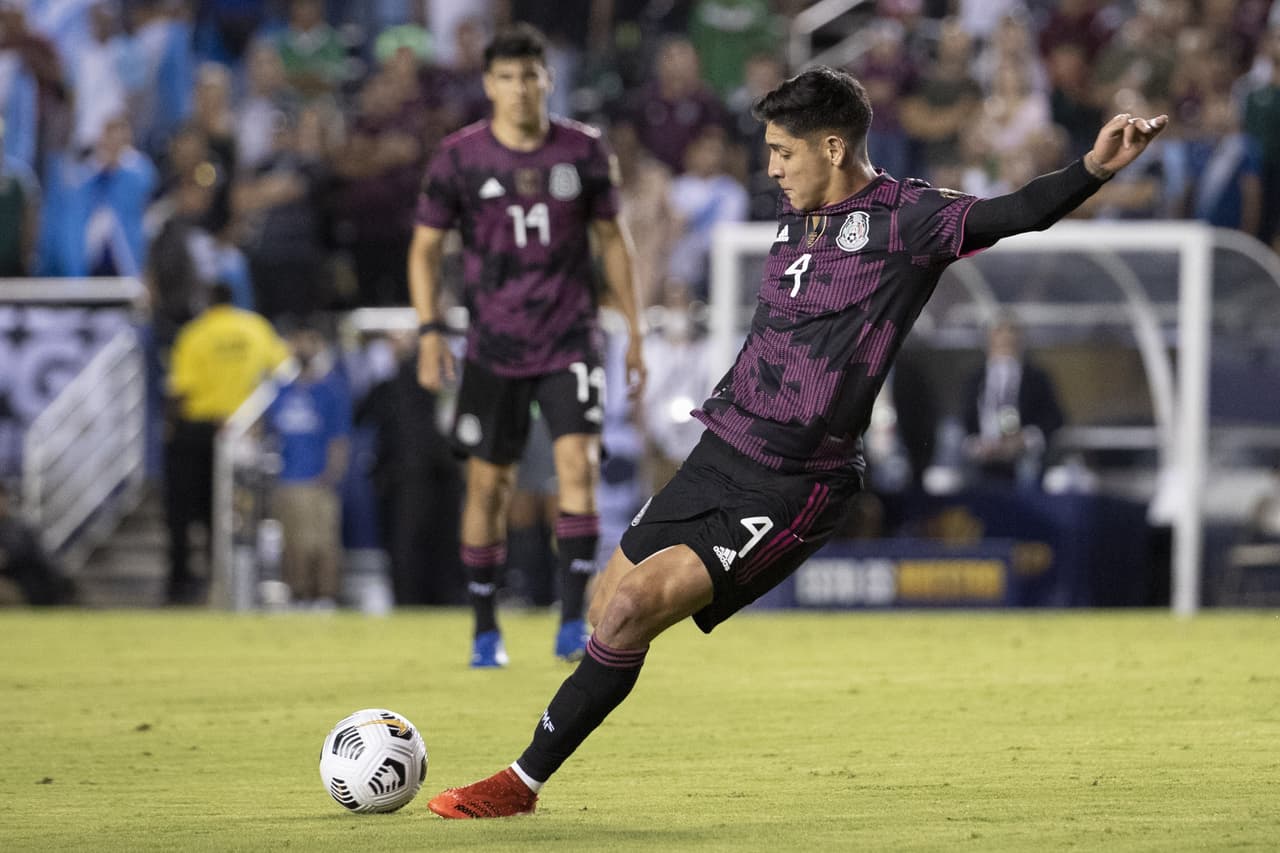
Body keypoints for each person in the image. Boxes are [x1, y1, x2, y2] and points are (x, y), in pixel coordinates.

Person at [424, 66, 1168, 818]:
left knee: (630, 611)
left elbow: (1017, 212)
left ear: (835, 146)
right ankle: (543, 758)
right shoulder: (796, 214)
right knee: (604, 604)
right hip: (720, 448)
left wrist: (1095, 167)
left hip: (794, 482)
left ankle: (519, 784)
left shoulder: (908, 220)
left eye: (784, 152)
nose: (772, 168)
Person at [408, 24, 645, 667]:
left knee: (580, 469)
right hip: (492, 347)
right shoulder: (459, 158)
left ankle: (573, 622)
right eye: (506, 77)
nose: (519, 89)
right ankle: (485, 628)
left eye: (529, 76)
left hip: (570, 338)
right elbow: (425, 250)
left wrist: (635, 330)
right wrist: (431, 331)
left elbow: (613, 243)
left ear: (548, 79)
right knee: (488, 488)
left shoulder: (585, 151)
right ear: (489, 85)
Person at [164, 282, 290, 604]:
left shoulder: (194, 334)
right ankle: (225, 581)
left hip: (199, 431)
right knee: (231, 513)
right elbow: (284, 373)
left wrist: (172, 428)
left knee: (185, 511)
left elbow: (180, 391)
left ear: (206, 300)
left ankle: (184, 584)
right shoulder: (256, 328)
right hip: (243, 431)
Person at [263, 323, 351, 609]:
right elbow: (264, 429)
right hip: (288, 477)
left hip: (317, 477)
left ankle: (324, 596)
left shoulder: (330, 391)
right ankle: (297, 594)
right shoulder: (280, 391)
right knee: (294, 543)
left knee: (322, 542)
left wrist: (332, 473)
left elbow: (339, 437)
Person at [962, 316, 1065, 486]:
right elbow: (965, 423)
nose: (1005, 339)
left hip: (1025, 463)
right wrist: (979, 446)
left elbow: (1055, 418)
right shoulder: (975, 379)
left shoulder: (1037, 378)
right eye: (999, 335)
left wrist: (1024, 440)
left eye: (1011, 335)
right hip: (983, 465)